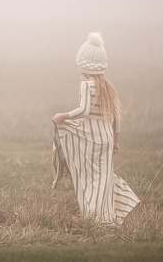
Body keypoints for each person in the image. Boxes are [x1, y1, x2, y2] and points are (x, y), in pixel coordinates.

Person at [51, 32, 139, 225]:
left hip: (91, 138)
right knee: (104, 178)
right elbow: (116, 117)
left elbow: (83, 111)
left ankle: (95, 218)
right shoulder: (108, 86)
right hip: (106, 139)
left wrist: (62, 116)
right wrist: (116, 142)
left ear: (84, 65)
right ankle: (107, 216)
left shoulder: (87, 85)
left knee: (90, 177)